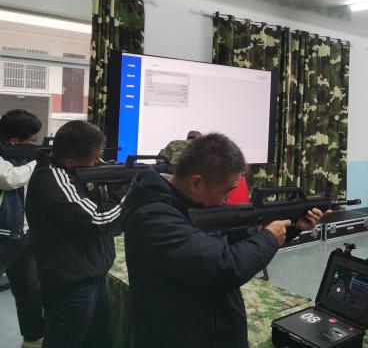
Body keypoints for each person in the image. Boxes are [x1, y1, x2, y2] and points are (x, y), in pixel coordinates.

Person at [123, 133, 327, 348]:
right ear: (196, 183)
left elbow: (229, 238)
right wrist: (269, 238)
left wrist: (293, 226)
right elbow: (223, 266)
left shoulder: (184, 203)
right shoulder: (153, 217)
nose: (227, 200)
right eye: (227, 191)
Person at [25, 120, 123, 348]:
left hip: (94, 275)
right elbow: (98, 219)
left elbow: (107, 170)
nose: (98, 161)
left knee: (99, 341)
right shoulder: (52, 178)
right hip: (71, 284)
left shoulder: (75, 168)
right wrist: (126, 194)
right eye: (95, 158)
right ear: (70, 161)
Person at [0, 109, 45, 348]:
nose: (34, 145)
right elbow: (10, 179)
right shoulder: (15, 160)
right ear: (13, 141)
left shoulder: (22, 156)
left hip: (23, 234)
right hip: (3, 236)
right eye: (31, 141)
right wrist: (38, 161)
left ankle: (33, 338)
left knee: (29, 291)